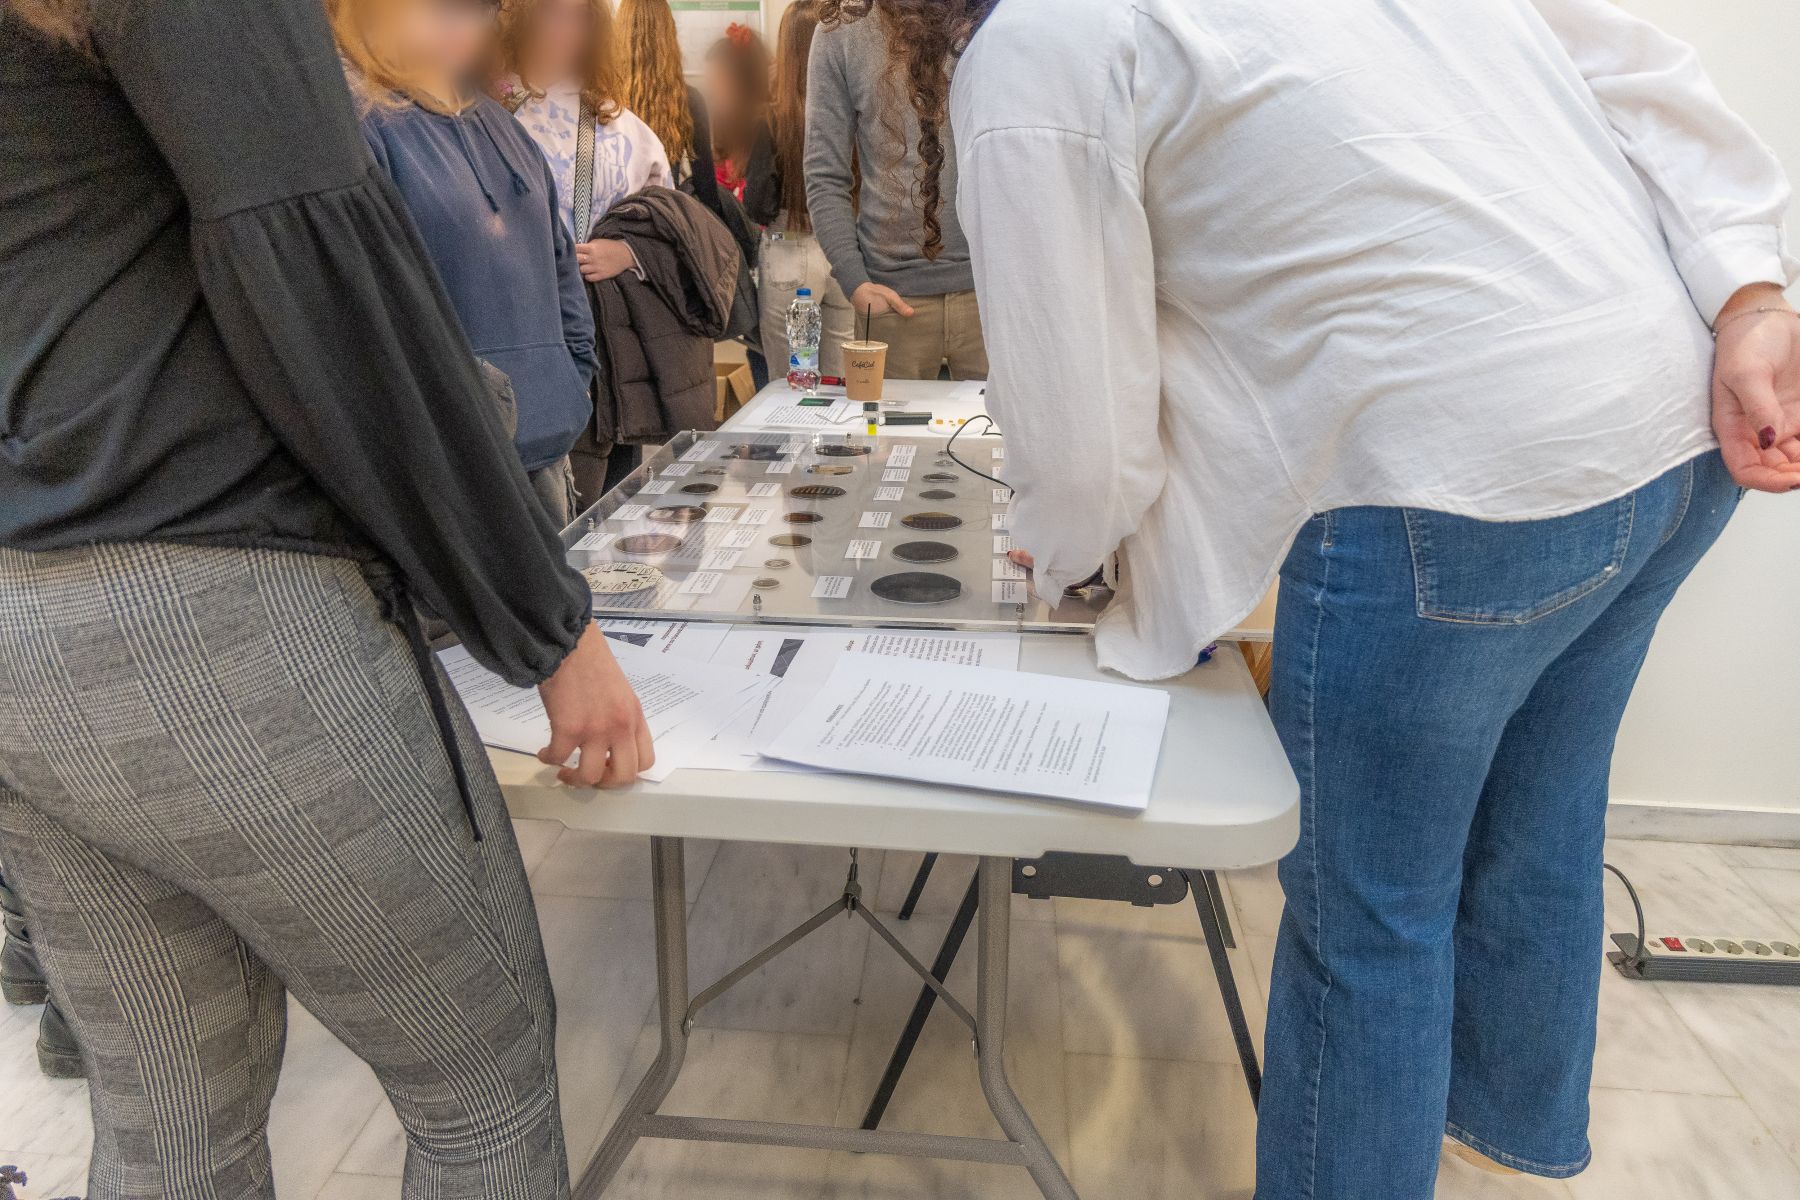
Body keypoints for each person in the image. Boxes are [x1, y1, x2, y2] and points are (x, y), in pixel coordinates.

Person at [819, 0, 1800, 1197]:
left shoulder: (1038, 44)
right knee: (1541, 816)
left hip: (1456, 482)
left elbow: (1082, 448)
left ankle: (1425, 1145)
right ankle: (1498, 1134)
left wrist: (1067, 558)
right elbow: (1637, 72)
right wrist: (1751, 293)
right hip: (1674, 433)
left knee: (1369, 924)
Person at [0, 1, 653, 1197]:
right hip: (208, 600)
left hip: (30, 613)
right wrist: (550, 626)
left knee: (168, 1126)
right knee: (483, 1089)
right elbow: (319, 268)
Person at [356, 0, 596, 527]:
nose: (465, 23)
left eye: (482, 7)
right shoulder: (365, 125)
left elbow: (559, 263)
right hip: (449, 471)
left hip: (547, 448)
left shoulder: (503, 126)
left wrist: (571, 373)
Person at [497, 0, 675, 505]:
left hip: (610, 350)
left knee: (609, 508)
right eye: (552, 12)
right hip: (522, 342)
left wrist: (627, 251)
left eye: (580, 15)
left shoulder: (624, 127)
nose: (565, 29)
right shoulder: (487, 114)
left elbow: (671, 229)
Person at [805, 0, 987, 380]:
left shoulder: (988, 19)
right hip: (890, 297)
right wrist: (856, 282)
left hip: (989, 292)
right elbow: (825, 175)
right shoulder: (842, 30)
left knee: (998, 422)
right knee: (887, 422)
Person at [744, 0, 854, 380]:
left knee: (794, 383)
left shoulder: (774, 118)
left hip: (788, 249)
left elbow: (757, 204)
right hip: (844, 255)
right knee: (841, 383)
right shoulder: (850, 114)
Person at [701, 22, 769, 200]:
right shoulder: (725, 124)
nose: (713, 95)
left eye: (719, 84)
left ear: (744, 83)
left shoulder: (765, 130)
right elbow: (719, 187)